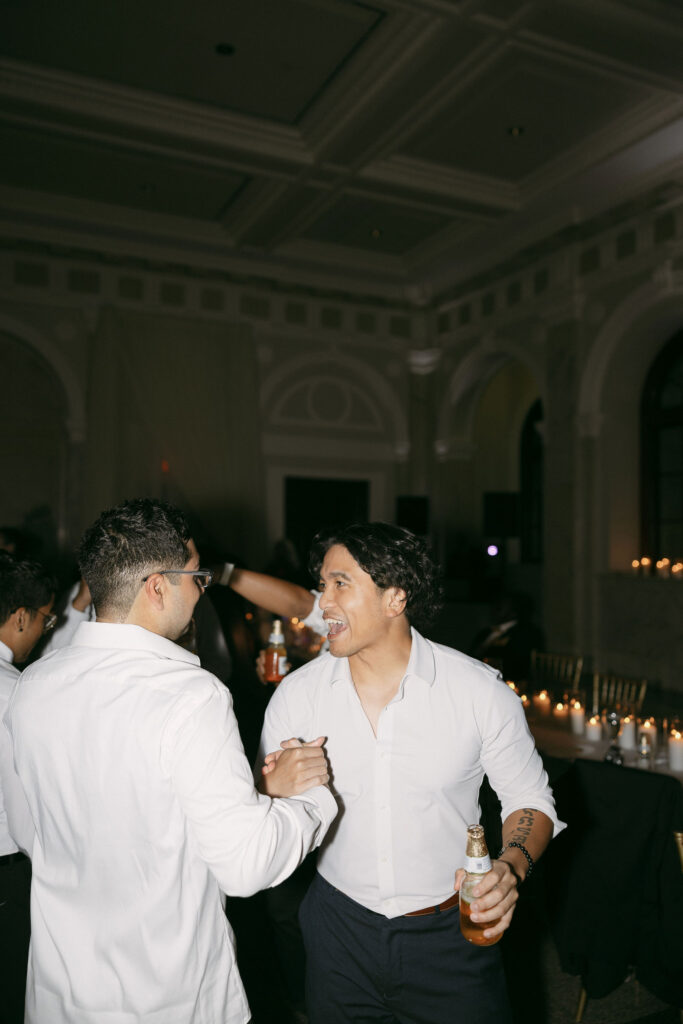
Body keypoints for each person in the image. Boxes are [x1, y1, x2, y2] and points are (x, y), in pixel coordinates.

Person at [4, 498, 336, 1024]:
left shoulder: (34, 684)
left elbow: (28, 831)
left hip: (59, 993)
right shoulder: (191, 695)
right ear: (157, 587)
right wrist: (314, 801)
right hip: (166, 996)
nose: (202, 590)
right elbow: (245, 866)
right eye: (196, 577)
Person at [259, 522, 564, 1024]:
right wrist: (270, 787)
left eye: (340, 584)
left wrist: (510, 867)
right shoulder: (297, 695)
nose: (323, 603)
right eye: (321, 585)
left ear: (394, 599)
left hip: (451, 937)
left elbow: (531, 801)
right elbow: (254, 811)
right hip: (338, 931)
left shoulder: (478, 692)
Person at [0, 553, 55, 1024]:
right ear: (20, 617)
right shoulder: (15, 690)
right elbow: (26, 819)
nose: (45, 630)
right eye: (45, 618)